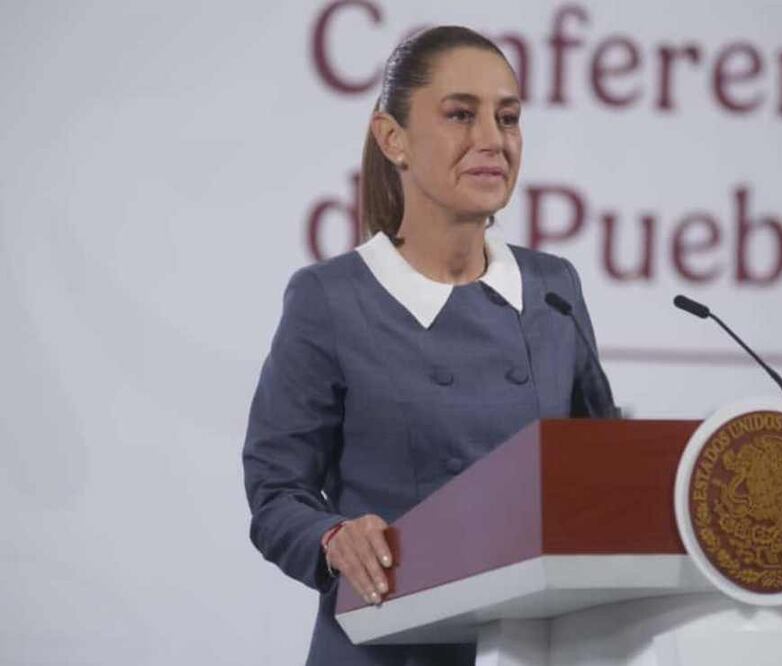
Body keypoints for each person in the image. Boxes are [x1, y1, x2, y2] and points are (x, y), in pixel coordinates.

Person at [242, 25, 617, 666]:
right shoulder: (331, 299)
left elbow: (603, 470)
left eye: (508, 118)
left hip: (528, 646)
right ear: (393, 139)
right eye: (460, 115)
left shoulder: (553, 288)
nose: (493, 140)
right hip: (389, 646)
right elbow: (276, 489)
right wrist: (333, 537)